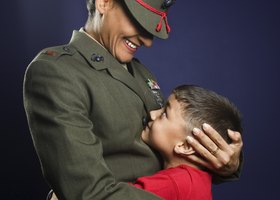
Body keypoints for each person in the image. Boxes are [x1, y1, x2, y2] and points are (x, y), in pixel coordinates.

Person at [23, 0, 243, 199]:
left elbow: (177, 144)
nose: (147, 41)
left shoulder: (140, 72)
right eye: (139, 22)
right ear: (104, 3)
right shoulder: (57, 70)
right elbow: (88, 193)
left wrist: (226, 164)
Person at [131, 85, 243, 200]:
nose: (152, 114)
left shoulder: (173, 184)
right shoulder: (197, 181)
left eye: (164, 114)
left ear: (185, 146)